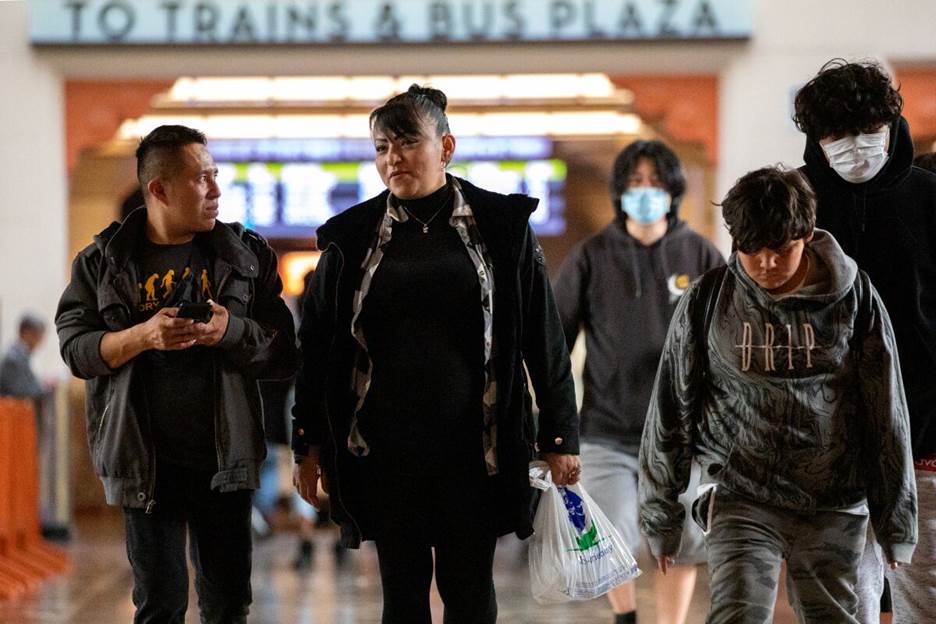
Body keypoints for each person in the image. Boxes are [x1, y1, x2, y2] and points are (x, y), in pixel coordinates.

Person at [291, 84, 580, 623]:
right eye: (381, 147)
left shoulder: (501, 228)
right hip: (384, 449)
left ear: (445, 146)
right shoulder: (351, 238)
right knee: (401, 596)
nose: (392, 158)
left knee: (469, 593)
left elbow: (545, 336)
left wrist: (559, 433)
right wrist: (306, 442)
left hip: (475, 446)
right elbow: (319, 346)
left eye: (407, 142)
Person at [638, 165, 917, 624]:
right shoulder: (711, 299)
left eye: (780, 250)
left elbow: (886, 409)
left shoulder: (854, 298)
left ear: (805, 234)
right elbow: (671, 406)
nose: (766, 263)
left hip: (832, 499)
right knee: (735, 616)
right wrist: (661, 516)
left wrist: (896, 522)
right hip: (740, 494)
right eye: (752, 251)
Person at [55, 124, 298, 624]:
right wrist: (143, 336)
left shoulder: (245, 257)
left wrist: (230, 332)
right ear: (159, 190)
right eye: (200, 179)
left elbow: (283, 354)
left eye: (215, 175)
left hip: (225, 461)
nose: (216, 190)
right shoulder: (102, 263)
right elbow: (77, 351)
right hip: (146, 464)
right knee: (159, 605)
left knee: (228, 605)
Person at [554, 140, 722, 624]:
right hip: (608, 429)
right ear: (619, 192)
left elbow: (727, 341)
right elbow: (555, 343)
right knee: (611, 536)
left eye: (655, 182)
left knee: (681, 542)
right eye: (635, 183)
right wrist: (554, 422)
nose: (645, 191)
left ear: (673, 191)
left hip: (682, 436)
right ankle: (624, 617)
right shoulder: (590, 256)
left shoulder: (701, 254)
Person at [794, 59, 936, 623]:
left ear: (891, 126)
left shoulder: (929, 199)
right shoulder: (798, 208)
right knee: (839, 606)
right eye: (838, 136)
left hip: (924, 435)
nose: (855, 147)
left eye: (867, 132)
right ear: (816, 140)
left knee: (924, 600)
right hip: (827, 443)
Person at [0, 313, 48, 401]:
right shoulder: (14, 358)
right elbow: (20, 391)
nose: (40, 341)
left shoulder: (20, 354)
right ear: (26, 332)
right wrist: (44, 388)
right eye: (37, 335)